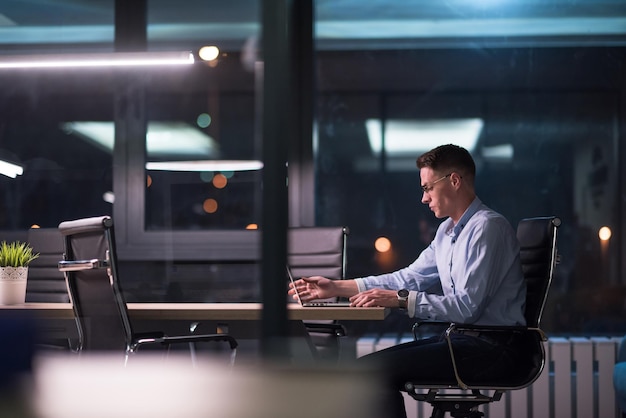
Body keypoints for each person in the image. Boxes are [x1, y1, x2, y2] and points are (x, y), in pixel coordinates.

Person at [288, 144, 527, 418]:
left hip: (494, 349)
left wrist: (400, 300)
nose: (424, 198)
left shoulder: (487, 228)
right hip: (464, 341)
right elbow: (409, 277)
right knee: (366, 372)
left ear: (454, 181)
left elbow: (466, 307)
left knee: (370, 375)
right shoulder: (447, 232)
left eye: (427, 188)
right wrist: (336, 287)